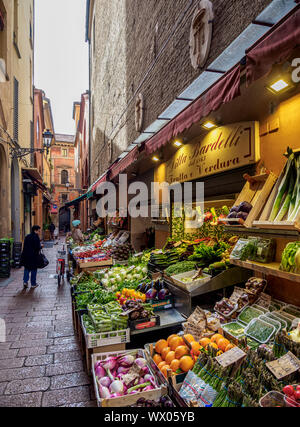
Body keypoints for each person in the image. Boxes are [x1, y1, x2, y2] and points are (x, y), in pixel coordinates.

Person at [20, 225, 43, 289]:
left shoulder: (27, 236)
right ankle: (33, 284)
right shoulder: (36, 237)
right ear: (35, 230)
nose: (39, 232)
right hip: (33, 256)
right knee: (33, 269)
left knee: (27, 268)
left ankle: (25, 282)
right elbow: (37, 247)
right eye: (38, 231)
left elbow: (24, 246)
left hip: (26, 255)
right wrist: (41, 246)